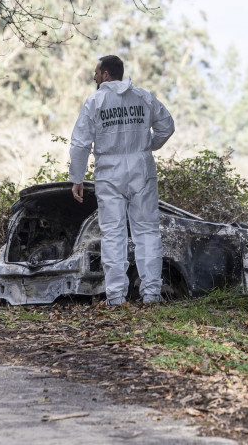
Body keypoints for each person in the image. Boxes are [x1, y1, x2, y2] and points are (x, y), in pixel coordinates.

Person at [69, 55, 175, 306]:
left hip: (109, 172)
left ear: (106, 75)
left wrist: (77, 178)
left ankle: (116, 296)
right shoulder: (143, 97)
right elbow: (167, 126)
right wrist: (147, 146)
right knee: (147, 231)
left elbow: (80, 143)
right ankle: (151, 294)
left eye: (96, 73)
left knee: (113, 234)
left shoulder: (95, 102)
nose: (94, 77)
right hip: (141, 169)